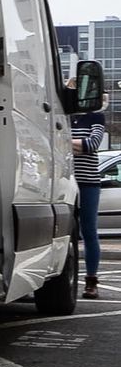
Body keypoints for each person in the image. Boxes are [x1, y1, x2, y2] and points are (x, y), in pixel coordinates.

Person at [71, 102, 107, 298]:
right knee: (62, 232)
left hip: (88, 182)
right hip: (63, 180)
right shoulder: (63, 117)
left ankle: (91, 282)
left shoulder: (95, 116)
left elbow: (93, 144)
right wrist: (79, 144)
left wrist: (65, 141)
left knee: (89, 231)